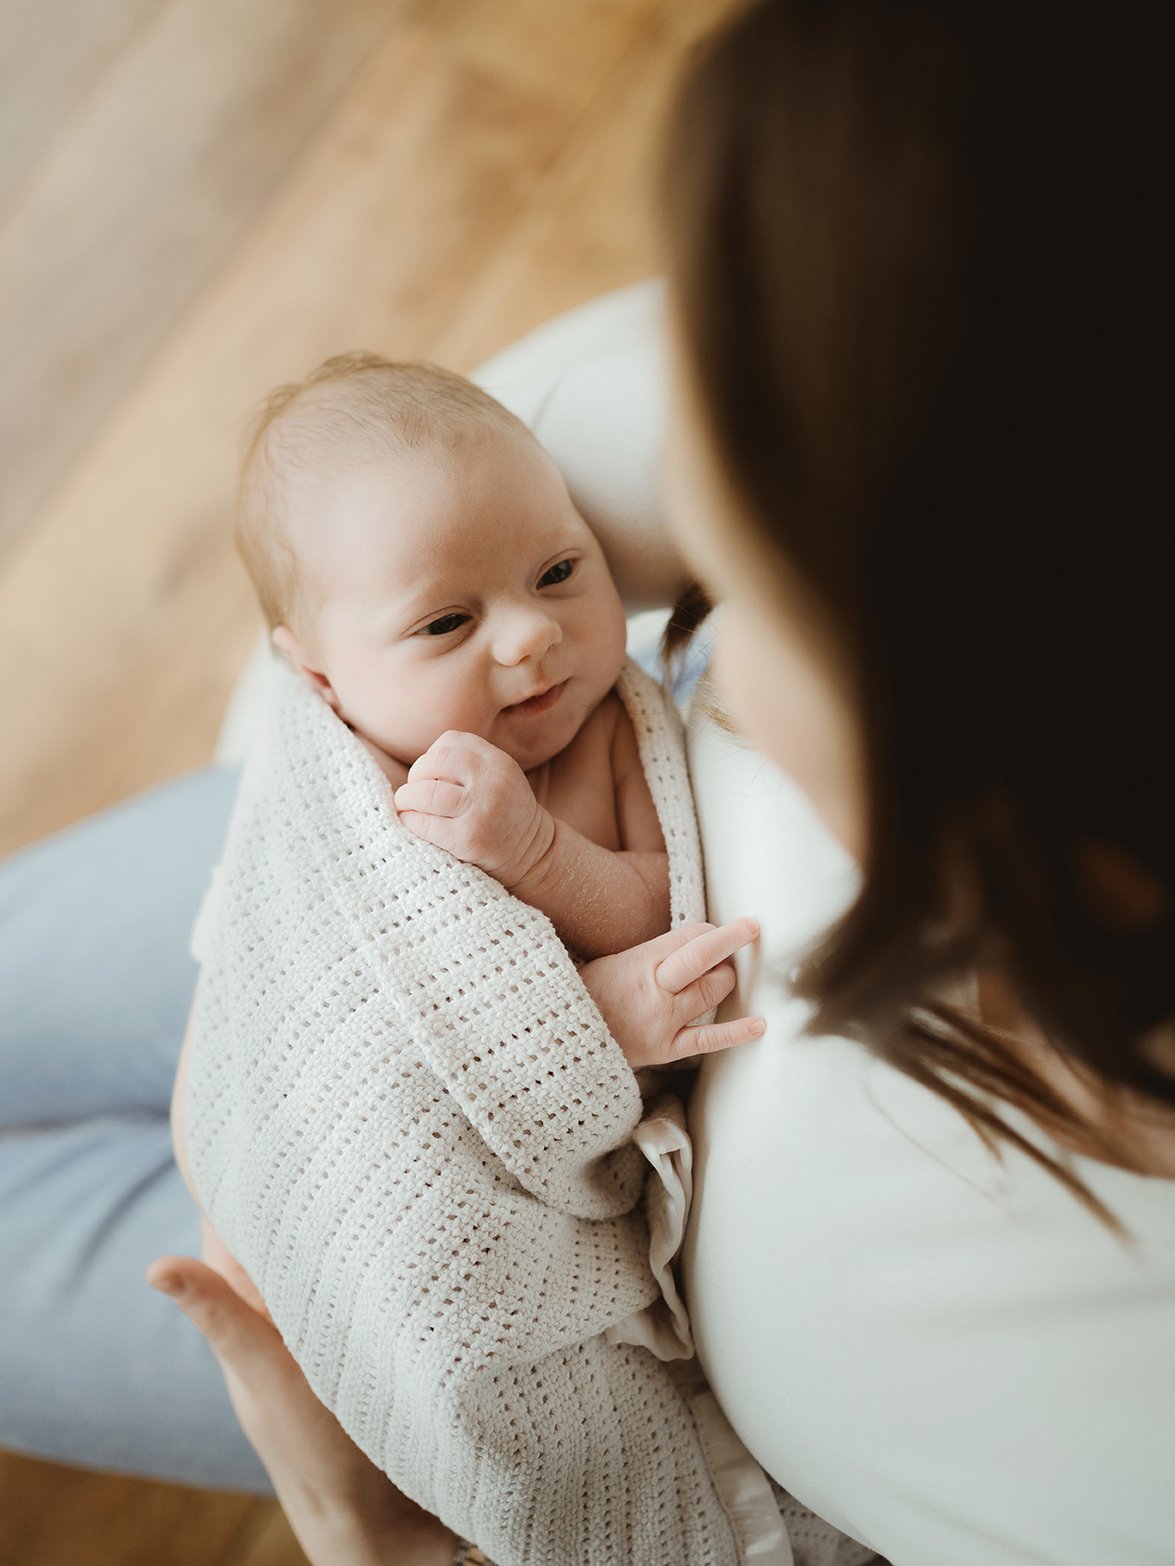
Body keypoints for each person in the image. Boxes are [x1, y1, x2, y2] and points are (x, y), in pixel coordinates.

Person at [3, 2, 1172, 1563]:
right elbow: (490, 468)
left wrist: (387, 1546)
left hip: (450, 1264)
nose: (677, 660)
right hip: (318, 896)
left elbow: (631, 915)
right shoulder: (947, 356)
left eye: (771, 593)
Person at [174, 349, 781, 1565]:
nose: (532, 640)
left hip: (515, 1157)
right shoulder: (336, 775)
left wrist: (539, 853)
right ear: (318, 676)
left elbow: (657, 904)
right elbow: (275, 947)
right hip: (303, 1117)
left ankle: (380, 1501)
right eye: (446, 622)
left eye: (560, 571)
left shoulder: (606, 737)